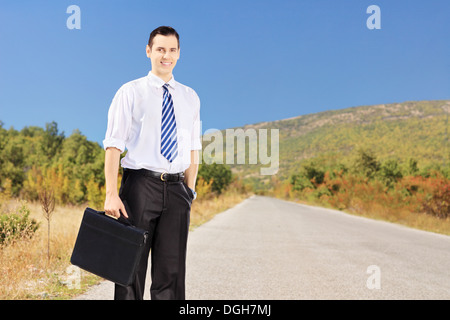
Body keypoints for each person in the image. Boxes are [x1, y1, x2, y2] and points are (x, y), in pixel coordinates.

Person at [102, 26, 201, 300]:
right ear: (149, 51)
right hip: (139, 188)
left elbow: (193, 148)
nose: (165, 56)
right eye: (160, 49)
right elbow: (113, 145)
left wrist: (189, 191)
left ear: (179, 54)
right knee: (129, 272)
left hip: (177, 189)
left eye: (171, 50)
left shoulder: (190, 97)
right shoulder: (130, 92)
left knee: (171, 275)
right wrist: (111, 193)